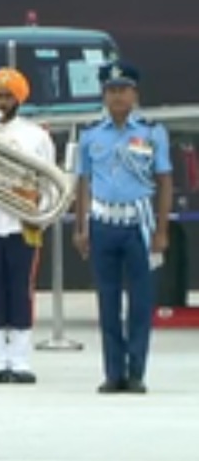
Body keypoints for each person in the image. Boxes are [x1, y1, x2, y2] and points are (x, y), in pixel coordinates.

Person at [74, 62, 173, 395]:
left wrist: (161, 230)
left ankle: (136, 371)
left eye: (123, 90)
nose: (117, 96)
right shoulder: (90, 133)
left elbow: (164, 180)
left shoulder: (151, 132)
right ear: (103, 95)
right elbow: (83, 182)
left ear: (135, 93)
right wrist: (80, 227)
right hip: (103, 223)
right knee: (108, 301)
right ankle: (113, 372)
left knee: (141, 302)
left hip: (138, 223)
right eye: (111, 90)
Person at [0, 68, 56, 385]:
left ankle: (20, 360)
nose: (2, 102)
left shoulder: (36, 136)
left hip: (23, 222)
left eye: (8, 96)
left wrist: (40, 213)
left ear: (20, 98)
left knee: (22, 289)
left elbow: (48, 179)